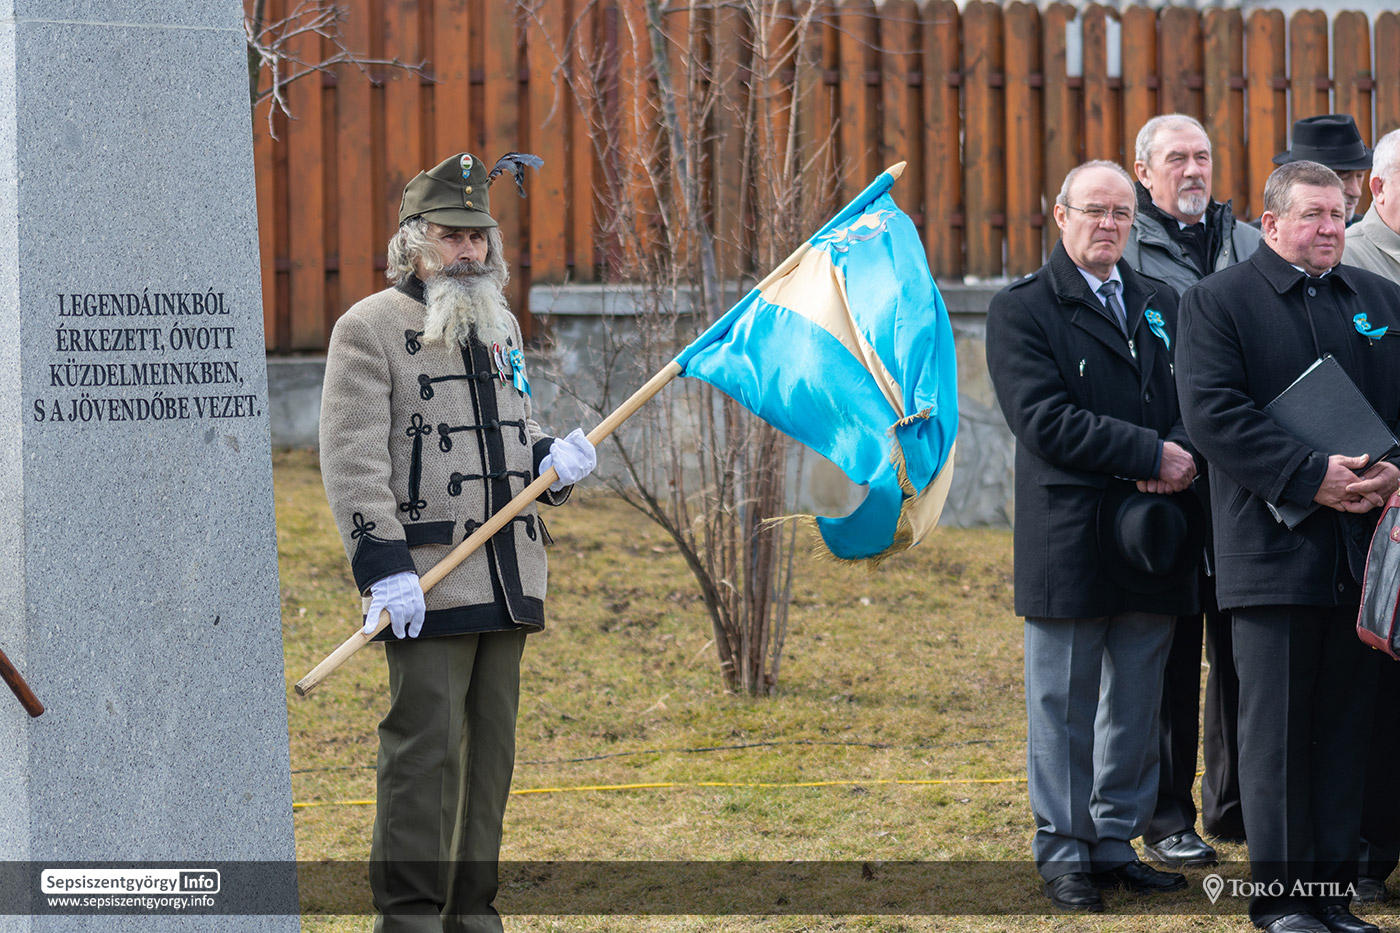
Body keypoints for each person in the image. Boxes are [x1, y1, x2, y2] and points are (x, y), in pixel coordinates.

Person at [319, 151, 597, 932]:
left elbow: (516, 429)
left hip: (508, 574)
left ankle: (473, 917)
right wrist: (383, 569)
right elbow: (352, 461)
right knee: (425, 754)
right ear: (415, 240)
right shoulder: (367, 327)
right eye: (452, 235)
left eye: (478, 236)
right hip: (428, 577)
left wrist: (551, 462)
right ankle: (410, 920)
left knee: (490, 759)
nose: (468, 251)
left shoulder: (499, 324)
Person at [1176, 160, 1400, 933]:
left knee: (1344, 730)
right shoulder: (1216, 302)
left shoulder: (1380, 299)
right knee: (1274, 737)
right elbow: (1213, 413)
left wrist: (1394, 469)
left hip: (1363, 555)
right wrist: (1311, 477)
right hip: (1270, 556)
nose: (1330, 228)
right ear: (1270, 225)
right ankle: (1280, 902)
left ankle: (1331, 895)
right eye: (1312, 215)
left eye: (1338, 214)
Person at [986, 160, 1201, 913]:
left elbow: (1193, 397)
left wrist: (1182, 450)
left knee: (1137, 702)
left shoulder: (1162, 301)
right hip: (1071, 535)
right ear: (1061, 215)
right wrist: (1150, 454)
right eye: (1094, 210)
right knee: (1065, 705)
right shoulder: (1022, 309)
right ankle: (1064, 851)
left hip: (1153, 534)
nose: (1108, 224)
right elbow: (1043, 420)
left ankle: (1114, 841)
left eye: (1120, 213)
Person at [1124, 113, 1262, 866]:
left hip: (1245, 482)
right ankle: (1168, 815)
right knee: (1172, 655)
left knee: (1244, 649)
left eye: (1202, 156)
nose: (1193, 170)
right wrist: (1159, 449)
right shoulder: (1127, 250)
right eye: (1176, 158)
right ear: (1144, 171)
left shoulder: (1248, 243)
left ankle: (1235, 804)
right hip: (1167, 481)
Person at [1344, 126, 1400, 906]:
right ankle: (1368, 849)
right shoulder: (1350, 262)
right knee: (1376, 691)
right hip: (1372, 502)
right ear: (1379, 187)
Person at [1274, 114, 1372, 224]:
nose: (1356, 192)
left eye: (1360, 176)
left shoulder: (1370, 231)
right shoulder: (1263, 234)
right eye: (1342, 177)